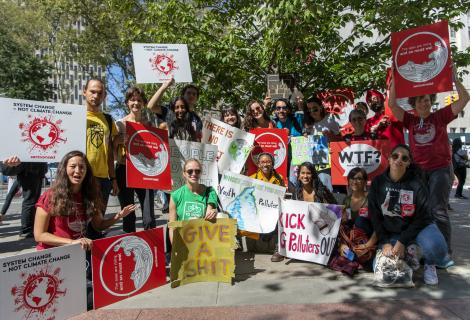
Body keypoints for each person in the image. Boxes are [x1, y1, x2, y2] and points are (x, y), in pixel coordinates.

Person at [388, 67, 470, 256]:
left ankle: (443, 253)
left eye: (427, 99)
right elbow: (392, 104)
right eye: (420, 100)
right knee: (417, 211)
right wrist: (394, 81)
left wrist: (455, 80)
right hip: (418, 172)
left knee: (438, 210)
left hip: (439, 170)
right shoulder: (410, 120)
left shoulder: (440, 116)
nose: (425, 103)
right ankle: (424, 248)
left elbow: (464, 99)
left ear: (431, 102)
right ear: (414, 104)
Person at [368, 144, 448, 285]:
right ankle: (412, 252)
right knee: (380, 269)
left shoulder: (416, 184)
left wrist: (402, 241)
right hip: (392, 233)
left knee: (438, 249)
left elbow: (423, 216)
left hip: (419, 229)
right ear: (389, 159)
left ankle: (429, 263)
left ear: (408, 163)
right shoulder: (378, 182)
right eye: (395, 156)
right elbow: (375, 215)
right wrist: (385, 242)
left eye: (404, 158)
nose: (399, 160)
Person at [33, 151, 135, 251]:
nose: (78, 171)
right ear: (64, 169)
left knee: (120, 235)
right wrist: (72, 242)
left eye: (82, 167)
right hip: (56, 253)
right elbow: (39, 235)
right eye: (73, 166)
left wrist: (118, 216)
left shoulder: (90, 194)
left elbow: (98, 226)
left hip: (80, 249)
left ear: (87, 172)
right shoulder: (50, 196)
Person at [114, 86, 156, 233]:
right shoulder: (119, 124)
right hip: (123, 169)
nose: (136, 103)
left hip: (144, 171)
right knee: (128, 212)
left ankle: (151, 242)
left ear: (143, 103)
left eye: (139, 100)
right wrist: (118, 141)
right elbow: (112, 151)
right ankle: (130, 244)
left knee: (148, 213)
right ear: (127, 102)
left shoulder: (149, 124)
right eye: (132, 100)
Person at [84, 78, 118, 211]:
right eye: (92, 91)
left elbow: (109, 151)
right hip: (82, 177)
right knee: (80, 222)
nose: (96, 96)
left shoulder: (108, 120)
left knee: (98, 221)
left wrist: (113, 178)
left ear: (104, 96)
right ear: (84, 92)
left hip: (103, 179)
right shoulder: (75, 117)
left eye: (100, 93)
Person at [168, 159, 218, 243]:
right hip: (183, 242)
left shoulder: (210, 191)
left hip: (204, 243)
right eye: (190, 171)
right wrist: (175, 248)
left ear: (201, 173)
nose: (194, 174)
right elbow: (172, 226)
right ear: (184, 173)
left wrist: (214, 211)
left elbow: (211, 213)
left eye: (197, 171)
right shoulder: (175, 195)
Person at [249, 153, 285, 262]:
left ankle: (278, 249)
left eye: (268, 162)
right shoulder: (252, 179)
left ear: (273, 164)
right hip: (258, 214)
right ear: (258, 164)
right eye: (263, 162)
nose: (266, 164)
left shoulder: (279, 179)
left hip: (273, 213)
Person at [1, 157, 47, 238]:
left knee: (29, 201)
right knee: (30, 202)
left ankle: (27, 229)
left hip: (31, 171)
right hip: (30, 171)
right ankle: (26, 230)